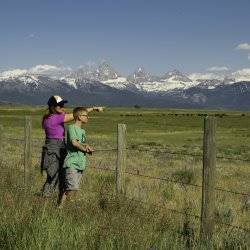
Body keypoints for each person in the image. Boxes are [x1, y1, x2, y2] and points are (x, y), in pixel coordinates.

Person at [40, 95, 104, 198]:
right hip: (55, 148)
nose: (62, 107)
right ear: (52, 107)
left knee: (57, 177)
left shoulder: (47, 118)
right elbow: (75, 115)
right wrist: (93, 108)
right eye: (59, 105)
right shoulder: (55, 118)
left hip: (52, 147)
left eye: (63, 104)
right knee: (54, 177)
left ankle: (54, 202)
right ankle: (44, 200)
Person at [58, 107, 93, 206]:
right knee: (73, 188)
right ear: (79, 117)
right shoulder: (71, 128)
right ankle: (71, 208)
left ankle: (61, 208)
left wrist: (87, 147)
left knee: (70, 188)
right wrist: (84, 149)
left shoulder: (82, 131)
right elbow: (74, 143)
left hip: (80, 163)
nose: (88, 118)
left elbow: (81, 143)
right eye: (85, 116)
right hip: (72, 162)